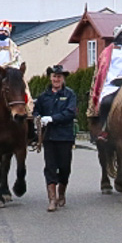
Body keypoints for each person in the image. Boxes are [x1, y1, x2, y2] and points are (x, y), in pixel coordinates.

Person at [34, 65, 78, 212]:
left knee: (65, 168)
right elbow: (36, 111)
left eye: (59, 76)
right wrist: (38, 119)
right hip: (49, 137)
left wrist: (52, 118)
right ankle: (52, 200)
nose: (56, 79)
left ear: (63, 78)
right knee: (50, 168)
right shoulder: (43, 96)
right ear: (50, 78)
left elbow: (70, 112)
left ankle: (62, 193)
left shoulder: (70, 94)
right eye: (54, 76)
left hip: (65, 137)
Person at [88, 24, 122, 141]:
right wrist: (116, 79)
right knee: (107, 102)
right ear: (117, 37)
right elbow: (104, 70)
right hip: (111, 85)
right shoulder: (108, 53)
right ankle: (103, 128)